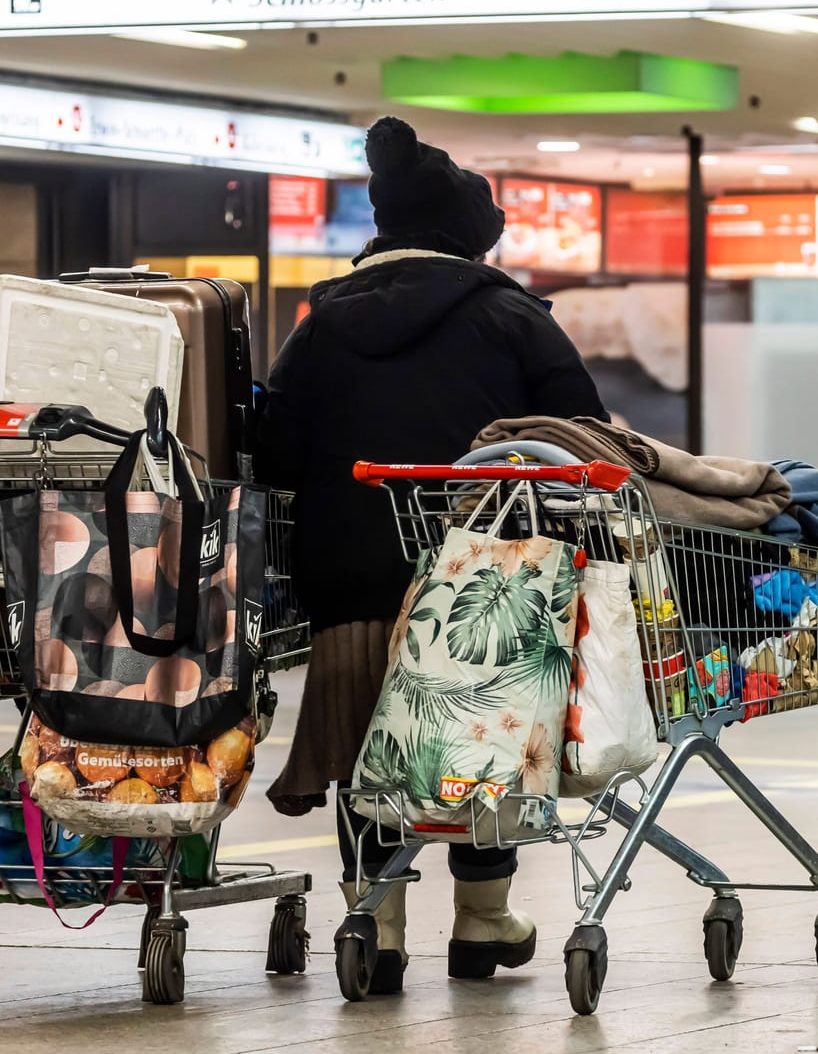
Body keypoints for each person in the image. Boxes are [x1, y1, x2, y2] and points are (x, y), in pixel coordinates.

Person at [256, 116, 607, 994]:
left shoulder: (319, 326)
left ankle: (375, 923)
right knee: (479, 735)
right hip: (486, 576)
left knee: (366, 739)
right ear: (469, 239)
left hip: (347, 574)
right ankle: (483, 920)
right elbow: (585, 439)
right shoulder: (515, 318)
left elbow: (273, 455)